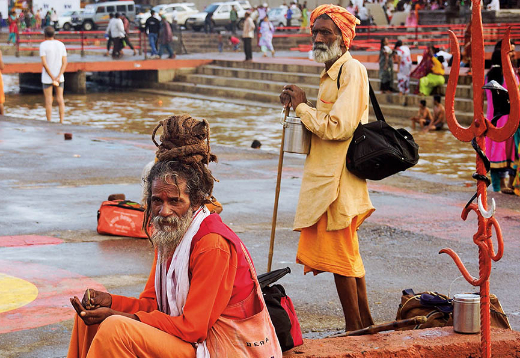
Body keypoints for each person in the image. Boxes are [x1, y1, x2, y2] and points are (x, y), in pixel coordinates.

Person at [66, 114, 282, 358]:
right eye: (157, 201)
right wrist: (111, 303)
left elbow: (193, 329)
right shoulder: (168, 235)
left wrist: (118, 316)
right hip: (189, 339)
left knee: (116, 329)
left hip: (222, 348)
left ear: (196, 201)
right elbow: (152, 306)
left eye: (175, 201)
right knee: (90, 317)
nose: (164, 211)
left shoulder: (212, 244)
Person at [279, 4, 375, 332]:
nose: (318, 38)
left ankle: (354, 330)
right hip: (327, 180)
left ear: (344, 39)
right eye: (315, 32)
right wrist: (300, 108)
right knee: (349, 260)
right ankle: (365, 325)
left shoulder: (352, 70)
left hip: (339, 182)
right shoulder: (329, 73)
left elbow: (338, 127)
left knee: (342, 260)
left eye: (326, 32)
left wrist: (304, 106)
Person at [486, 39, 518, 194]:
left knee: (504, 152)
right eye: (510, 51)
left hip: (504, 119)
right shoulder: (501, 75)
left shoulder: (504, 73)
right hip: (503, 120)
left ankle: (506, 185)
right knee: (503, 152)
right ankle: (503, 185)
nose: (513, 54)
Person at [40, 26, 67, 123]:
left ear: (44, 35)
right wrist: (58, 76)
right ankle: (61, 121)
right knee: (60, 99)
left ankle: (49, 121)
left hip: (47, 77)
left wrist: (52, 77)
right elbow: (64, 63)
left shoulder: (43, 45)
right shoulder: (61, 44)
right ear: (54, 35)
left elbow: (44, 63)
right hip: (59, 77)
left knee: (48, 100)